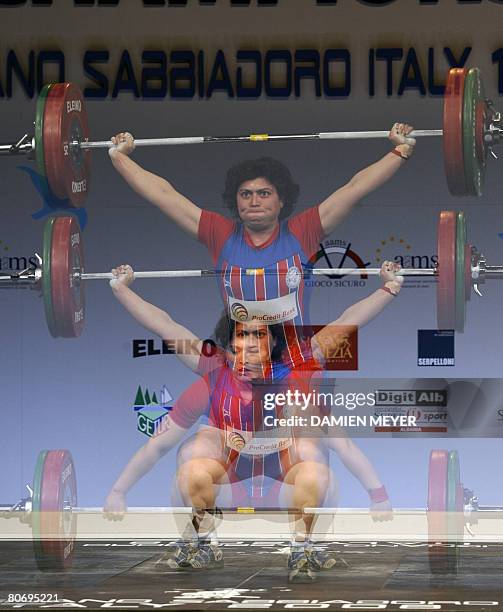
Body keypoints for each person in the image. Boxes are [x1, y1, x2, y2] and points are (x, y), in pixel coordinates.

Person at [103, 260, 402, 578]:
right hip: (229, 475)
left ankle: (305, 549)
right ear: (227, 350)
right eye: (238, 348)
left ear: (272, 345)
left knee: (315, 462)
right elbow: (165, 327)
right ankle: (202, 543)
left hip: (284, 472)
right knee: (191, 459)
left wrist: (388, 287)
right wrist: (121, 289)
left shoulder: (297, 371)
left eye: (255, 346)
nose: (245, 358)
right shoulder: (213, 374)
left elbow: (347, 323)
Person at [108, 125, 415, 368]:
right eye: (245, 194)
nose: (254, 201)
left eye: (265, 193)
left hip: (295, 362)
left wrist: (400, 151)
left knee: (309, 448)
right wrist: (120, 157)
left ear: (282, 200)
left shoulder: (302, 231)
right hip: (239, 363)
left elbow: (354, 189)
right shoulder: (221, 234)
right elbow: (164, 195)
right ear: (235, 201)